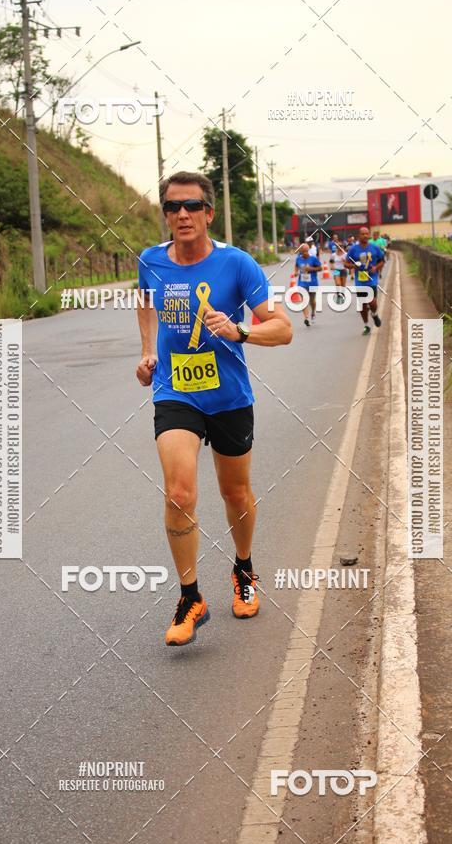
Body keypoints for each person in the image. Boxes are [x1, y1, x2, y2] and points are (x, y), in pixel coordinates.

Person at [136, 171, 292, 646]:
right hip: (175, 392)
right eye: (171, 206)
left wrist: (238, 332)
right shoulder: (151, 261)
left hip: (228, 398)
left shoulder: (237, 264)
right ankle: (190, 597)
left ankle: (243, 568)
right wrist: (148, 351)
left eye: (191, 206)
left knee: (235, 494)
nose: (181, 214)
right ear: (164, 214)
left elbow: (283, 329)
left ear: (208, 213)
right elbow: (145, 301)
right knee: (179, 493)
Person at [346, 226, 385, 335]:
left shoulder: (375, 248)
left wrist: (376, 268)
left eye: (367, 233)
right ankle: (366, 325)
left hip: (372, 280)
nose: (365, 236)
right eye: (363, 234)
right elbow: (346, 263)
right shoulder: (353, 249)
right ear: (359, 236)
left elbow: (382, 260)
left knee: (372, 302)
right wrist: (353, 265)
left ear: (369, 235)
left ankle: (374, 314)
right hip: (360, 281)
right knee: (362, 305)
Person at [292, 242, 322, 326]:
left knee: (312, 301)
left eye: (306, 251)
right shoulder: (298, 259)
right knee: (304, 300)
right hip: (302, 283)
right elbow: (296, 266)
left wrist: (311, 268)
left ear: (308, 250)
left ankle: (313, 313)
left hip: (312, 282)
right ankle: (306, 318)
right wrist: (296, 272)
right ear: (301, 251)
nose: (305, 253)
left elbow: (320, 268)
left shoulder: (313, 259)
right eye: (303, 251)